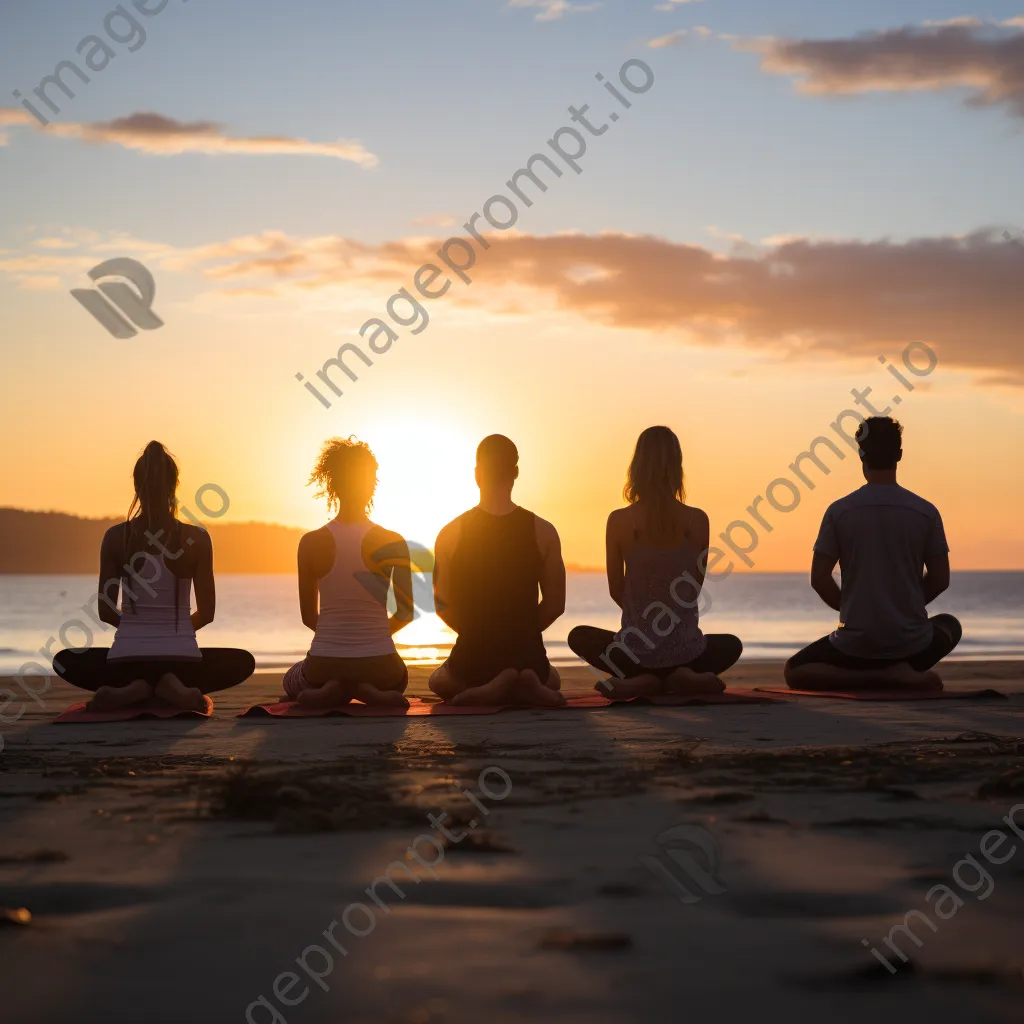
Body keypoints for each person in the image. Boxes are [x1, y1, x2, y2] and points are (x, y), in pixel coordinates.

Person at [53, 441, 255, 710]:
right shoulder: (197, 539)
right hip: (181, 659)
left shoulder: (115, 538)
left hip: (127, 659)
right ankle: (171, 687)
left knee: (65, 660)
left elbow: (105, 611)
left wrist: (138, 632)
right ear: (174, 487)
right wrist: (174, 633)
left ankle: (135, 688)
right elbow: (207, 613)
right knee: (241, 662)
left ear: (137, 487)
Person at [785, 417, 962, 691]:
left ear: (860, 454)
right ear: (899, 455)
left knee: (795, 671)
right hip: (910, 643)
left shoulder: (840, 511)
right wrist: (908, 605)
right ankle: (896, 673)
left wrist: (853, 609)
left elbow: (819, 579)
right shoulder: (926, 512)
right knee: (950, 625)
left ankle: (872, 678)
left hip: (856, 645)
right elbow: (940, 579)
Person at [568, 426, 743, 697]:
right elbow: (693, 591)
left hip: (634, 652)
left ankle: (643, 679)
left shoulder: (619, 521)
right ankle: (678, 677)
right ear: (677, 468)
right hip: (687, 651)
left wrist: (644, 621)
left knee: (579, 636)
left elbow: (617, 591)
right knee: (731, 645)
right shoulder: (697, 520)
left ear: (636, 466)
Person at [429, 435, 566, 707]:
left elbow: (442, 605)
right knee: (552, 679)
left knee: (437, 681)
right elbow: (555, 605)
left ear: (477, 474)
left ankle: (487, 687)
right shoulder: (544, 531)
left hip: (474, 658)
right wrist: (520, 631)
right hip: (528, 655)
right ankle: (523, 684)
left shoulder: (449, 533)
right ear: (515, 473)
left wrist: (478, 632)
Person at [285, 437, 414, 708]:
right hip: (381, 666)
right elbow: (405, 612)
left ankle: (333, 689)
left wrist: (340, 645)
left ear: (333, 483)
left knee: (291, 680)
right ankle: (366, 690)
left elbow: (309, 616)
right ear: (372, 485)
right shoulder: (394, 541)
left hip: (325, 664)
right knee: (400, 678)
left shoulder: (310, 542)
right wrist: (373, 636)